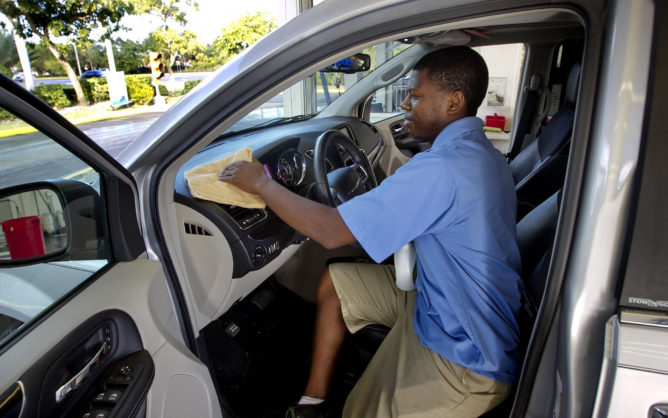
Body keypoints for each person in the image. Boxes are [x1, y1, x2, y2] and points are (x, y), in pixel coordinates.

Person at [219, 46, 523, 417]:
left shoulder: (441, 168)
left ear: (454, 102)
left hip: (465, 356)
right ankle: (312, 403)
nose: (406, 102)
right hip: (446, 301)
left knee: (358, 412)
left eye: (417, 95)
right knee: (337, 282)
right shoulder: (480, 152)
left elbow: (330, 232)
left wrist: (262, 185)